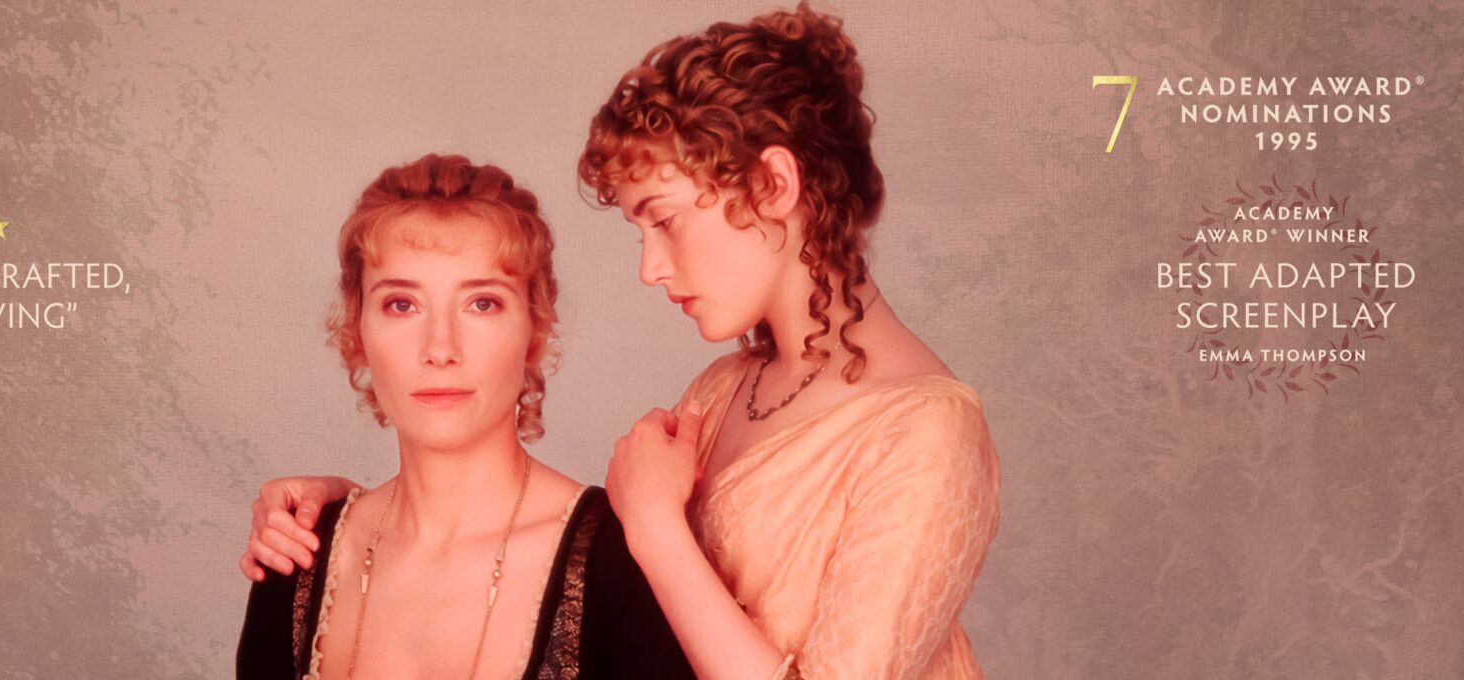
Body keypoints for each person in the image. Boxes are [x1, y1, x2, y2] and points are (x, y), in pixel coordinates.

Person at [243, 6, 1001, 679]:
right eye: (401, 306)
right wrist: (344, 510)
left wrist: (655, 529)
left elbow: (630, 563)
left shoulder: (929, 430)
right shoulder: (726, 388)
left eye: (664, 220)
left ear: (773, 185)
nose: (649, 268)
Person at [236, 154, 693, 680]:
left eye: (482, 304)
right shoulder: (296, 551)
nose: (440, 349)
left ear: (535, 328)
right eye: (402, 304)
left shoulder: (622, 561)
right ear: (357, 332)